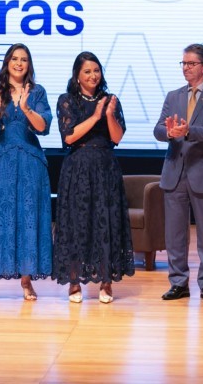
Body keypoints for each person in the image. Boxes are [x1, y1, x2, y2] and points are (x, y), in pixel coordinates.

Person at [0, 43, 52, 301]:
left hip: (30, 162)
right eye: (14, 58)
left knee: (27, 217)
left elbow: (43, 127)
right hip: (2, 161)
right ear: (7, 62)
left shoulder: (37, 92)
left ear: (29, 64)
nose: (19, 63)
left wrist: (26, 108)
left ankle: (27, 280)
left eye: (24, 59)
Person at [52, 51, 134, 304]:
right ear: (77, 76)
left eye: (96, 70)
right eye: (87, 71)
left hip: (105, 167)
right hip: (77, 167)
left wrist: (108, 115)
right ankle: (74, 281)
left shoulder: (110, 100)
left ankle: (106, 281)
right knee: (77, 224)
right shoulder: (67, 100)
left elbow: (117, 137)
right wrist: (95, 116)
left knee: (106, 222)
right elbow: (69, 136)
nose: (93, 75)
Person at [153, 44, 203, 303]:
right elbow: (158, 129)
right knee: (175, 233)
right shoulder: (173, 96)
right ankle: (178, 283)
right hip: (174, 171)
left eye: (191, 64)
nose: (185, 68)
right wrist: (169, 132)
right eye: (183, 63)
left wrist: (188, 131)